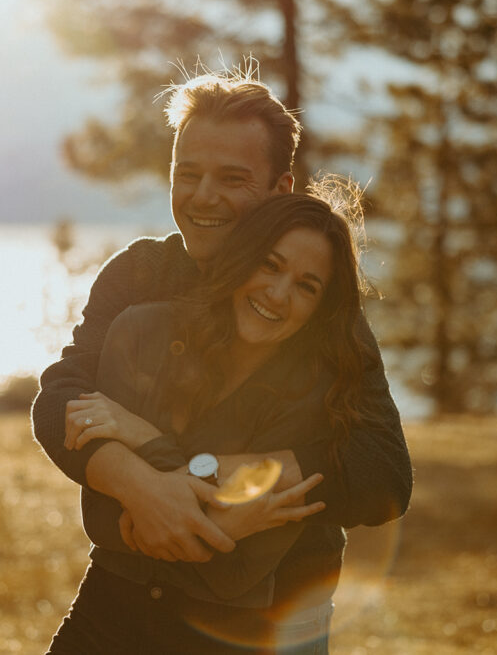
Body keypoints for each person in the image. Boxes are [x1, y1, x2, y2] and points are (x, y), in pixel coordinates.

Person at [30, 70, 412, 639]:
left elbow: (382, 471)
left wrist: (222, 479)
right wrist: (144, 489)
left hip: (266, 626)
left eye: (231, 178)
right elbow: (61, 397)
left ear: (279, 192)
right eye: (188, 174)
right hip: (123, 594)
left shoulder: (315, 308)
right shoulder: (139, 274)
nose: (202, 196)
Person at [49, 191, 383, 653]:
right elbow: (103, 521)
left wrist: (145, 447)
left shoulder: (316, 399)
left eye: (307, 286)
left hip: (233, 638)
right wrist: (210, 515)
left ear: (322, 307)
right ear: (242, 257)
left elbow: (232, 574)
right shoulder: (141, 332)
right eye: (269, 264)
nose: (278, 294)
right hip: (110, 619)